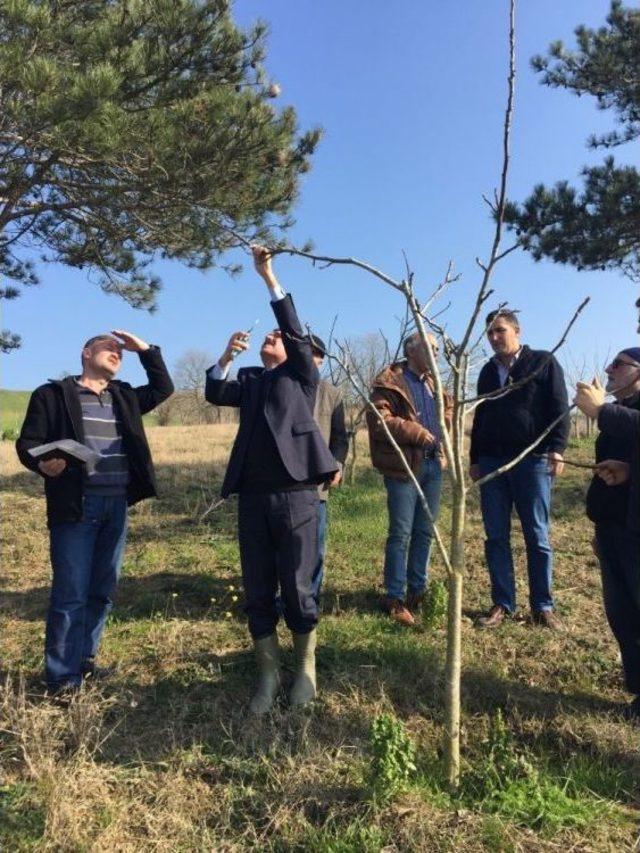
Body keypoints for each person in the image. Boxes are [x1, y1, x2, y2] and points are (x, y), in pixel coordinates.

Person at [205, 246, 338, 714]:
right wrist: (225, 355)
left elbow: (297, 332)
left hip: (298, 496)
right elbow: (213, 390)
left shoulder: (302, 377)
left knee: (299, 587)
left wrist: (269, 277)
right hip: (253, 498)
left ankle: (305, 668)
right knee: (258, 587)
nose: (271, 338)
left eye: (278, 337)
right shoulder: (251, 380)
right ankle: (267, 671)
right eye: (268, 337)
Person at [16, 331, 174, 695]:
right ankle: (60, 678)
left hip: (117, 505)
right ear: (86, 353)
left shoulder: (125, 397)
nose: (117, 353)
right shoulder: (52, 395)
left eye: (121, 351)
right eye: (109, 347)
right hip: (75, 507)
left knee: (102, 591)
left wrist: (145, 350)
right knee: (70, 593)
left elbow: (163, 387)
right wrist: (43, 464)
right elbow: (27, 443)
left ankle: (84, 662)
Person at [469, 309, 570, 630]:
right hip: (492, 463)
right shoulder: (487, 371)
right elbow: (480, 418)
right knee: (495, 535)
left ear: (517, 331)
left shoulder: (542, 362)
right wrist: (474, 458)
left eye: (500, 330)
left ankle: (543, 605)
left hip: (533, 460)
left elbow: (559, 407)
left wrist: (557, 449)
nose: (494, 337)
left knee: (536, 534)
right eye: (490, 333)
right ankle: (502, 603)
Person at [368, 332, 452, 627]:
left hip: (432, 467)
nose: (437, 353)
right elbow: (381, 421)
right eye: (431, 348)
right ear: (412, 350)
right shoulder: (390, 381)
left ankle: (418, 590)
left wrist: (443, 446)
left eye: (439, 349)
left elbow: (447, 413)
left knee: (425, 531)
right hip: (404, 468)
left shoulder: (434, 384)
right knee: (401, 534)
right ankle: (394, 596)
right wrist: (418, 433)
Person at [575, 349, 640, 720]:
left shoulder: (621, 413)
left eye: (619, 365)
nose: (609, 370)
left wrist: (602, 411)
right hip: (612, 526)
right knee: (621, 614)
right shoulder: (620, 409)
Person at [307, 337, 349, 603]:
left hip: (317, 485)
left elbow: (340, 437)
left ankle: (311, 597)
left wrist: (337, 465)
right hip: (282, 483)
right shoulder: (279, 386)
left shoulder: (332, 394)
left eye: (318, 361)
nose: (315, 365)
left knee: (315, 547)